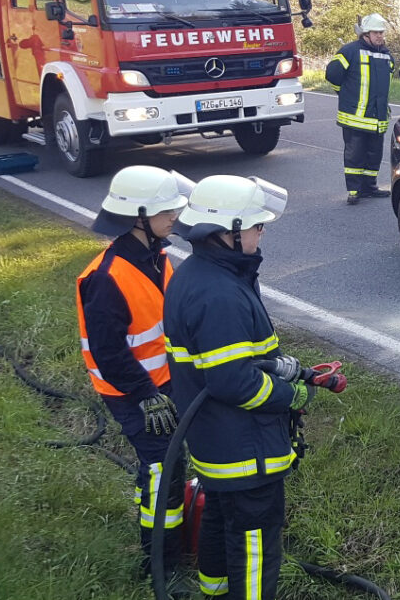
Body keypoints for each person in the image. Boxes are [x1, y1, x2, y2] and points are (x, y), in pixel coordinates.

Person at [164, 175, 310, 599]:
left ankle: (214, 590)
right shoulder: (220, 294)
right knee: (254, 544)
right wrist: (291, 396)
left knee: (219, 520)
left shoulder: (199, 273)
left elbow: (234, 358)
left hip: (215, 443)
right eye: (256, 225)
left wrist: (281, 368)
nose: (262, 232)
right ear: (226, 232)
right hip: (244, 450)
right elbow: (233, 382)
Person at [76, 165, 192, 585]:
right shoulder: (107, 279)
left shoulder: (155, 258)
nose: (175, 216)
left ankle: (173, 543)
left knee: (174, 464)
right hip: (132, 391)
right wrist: (145, 394)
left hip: (164, 382)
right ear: (139, 216)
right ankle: (160, 566)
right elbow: (108, 353)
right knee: (163, 472)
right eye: (168, 211)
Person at [326, 13, 394, 204]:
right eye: (376, 32)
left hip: (377, 117)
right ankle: (354, 191)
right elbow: (332, 75)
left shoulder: (386, 56)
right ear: (365, 34)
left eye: (381, 32)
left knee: (374, 154)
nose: (380, 36)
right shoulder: (349, 51)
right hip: (354, 117)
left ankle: (369, 187)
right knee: (355, 155)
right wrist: (345, 95)